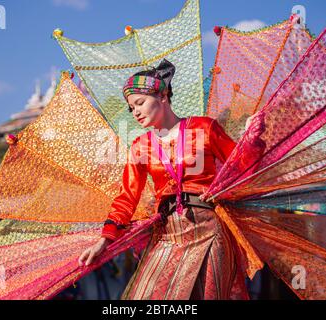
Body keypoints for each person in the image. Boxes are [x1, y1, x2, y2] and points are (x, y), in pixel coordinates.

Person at [78, 59, 266, 299]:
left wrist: (251, 138)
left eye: (140, 103)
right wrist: (104, 241)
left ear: (163, 96)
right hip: (168, 234)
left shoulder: (204, 128)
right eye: (131, 107)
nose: (135, 111)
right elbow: (127, 198)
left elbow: (241, 167)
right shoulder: (140, 146)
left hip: (209, 230)